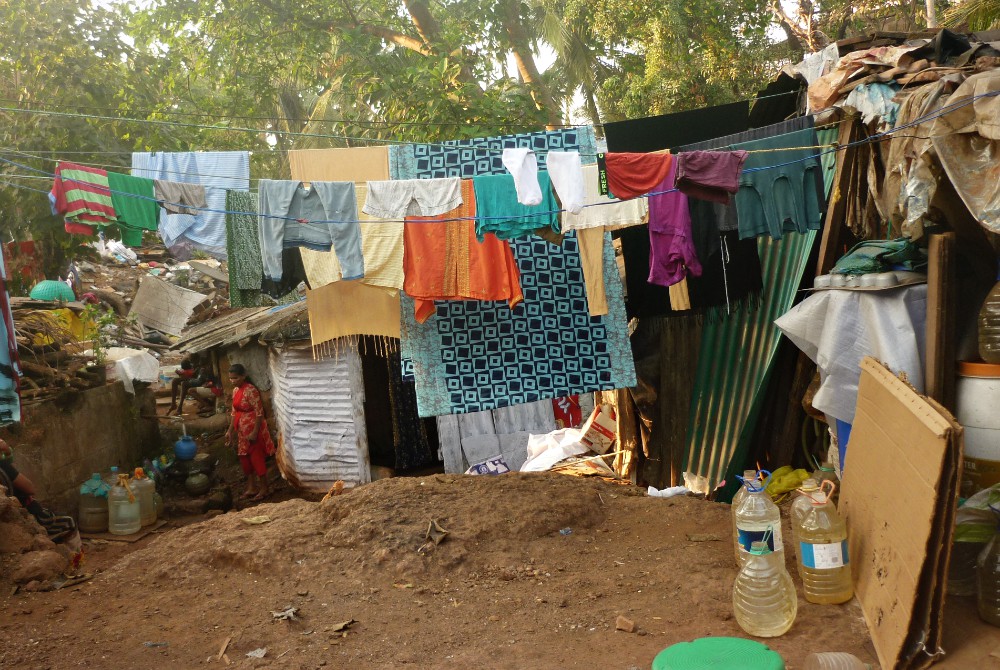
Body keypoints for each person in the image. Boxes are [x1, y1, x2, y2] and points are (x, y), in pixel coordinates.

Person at [0, 439, 76, 540]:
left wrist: (7, 453)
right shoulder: (3, 466)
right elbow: (30, 489)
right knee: (69, 522)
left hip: (15, 519)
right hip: (29, 515)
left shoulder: (4, 466)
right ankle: (73, 555)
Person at [225, 364, 275, 501]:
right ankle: (252, 487)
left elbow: (259, 413)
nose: (233, 381)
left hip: (254, 430)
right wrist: (230, 431)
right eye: (230, 378)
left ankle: (265, 488)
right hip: (242, 431)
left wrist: (254, 432)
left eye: (235, 378)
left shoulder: (251, 390)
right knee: (244, 459)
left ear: (243, 376)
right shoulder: (236, 391)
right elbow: (234, 413)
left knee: (256, 458)